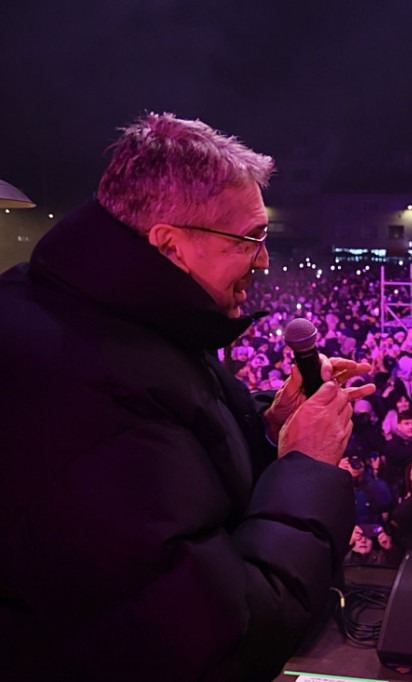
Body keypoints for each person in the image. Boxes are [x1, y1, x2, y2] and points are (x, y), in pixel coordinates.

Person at [0, 113, 375, 680]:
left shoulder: (116, 315)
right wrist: (306, 469)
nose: (263, 260)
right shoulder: (84, 390)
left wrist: (269, 427)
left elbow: (180, 459)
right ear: (170, 244)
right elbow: (217, 644)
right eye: (249, 239)